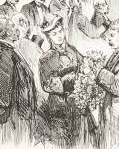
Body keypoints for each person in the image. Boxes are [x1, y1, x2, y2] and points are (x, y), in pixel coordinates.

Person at [38, 15, 94, 147]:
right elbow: (47, 84)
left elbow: (83, 65)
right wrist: (73, 79)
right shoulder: (46, 58)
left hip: (79, 106)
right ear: (49, 37)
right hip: (59, 107)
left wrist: (88, 67)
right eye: (54, 33)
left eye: (60, 31)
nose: (59, 36)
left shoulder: (72, 50)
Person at [0, 17, 37, 144]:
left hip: (17, 115)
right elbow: (3, 92)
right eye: (13, 27)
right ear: (8, 33)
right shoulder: (4, 54)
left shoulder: (9, 50)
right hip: (10, 118)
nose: (17, 29)